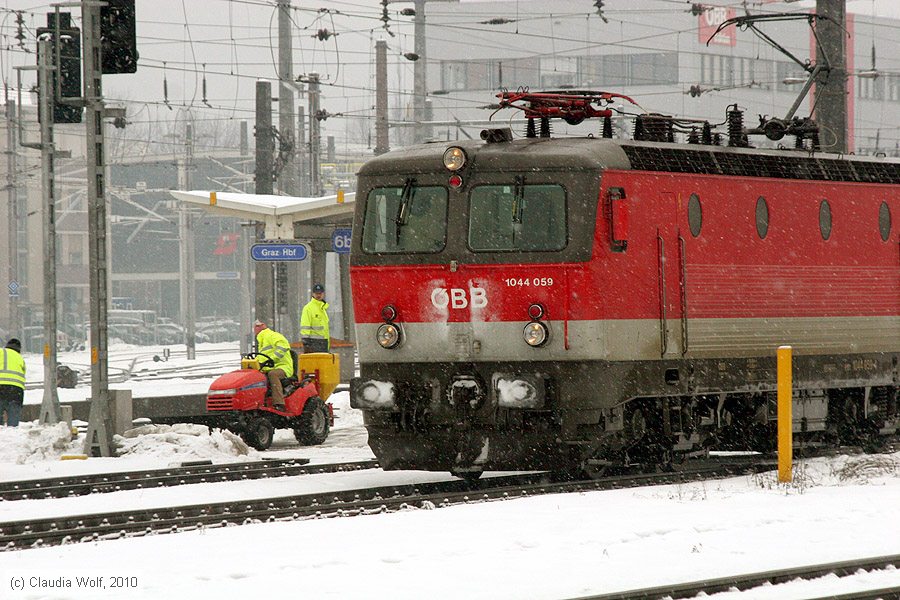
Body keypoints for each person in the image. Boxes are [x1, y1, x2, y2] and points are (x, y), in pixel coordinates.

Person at [253, 321, 293, 410]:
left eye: (258, 326)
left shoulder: (273, 335)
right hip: (268, 368)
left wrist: (272, 359)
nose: (255, 328)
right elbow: (262, 357)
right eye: (255, 326)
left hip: (282, 367)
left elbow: (283, 346)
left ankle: (279, 403)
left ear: (263, 326)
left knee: (273, 374)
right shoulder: (261, 340)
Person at [0, 338, 26, 427]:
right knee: (14, 416)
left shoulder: (1, 352)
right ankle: (13, 430)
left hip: (1, 387)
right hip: (16, 390)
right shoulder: (20, 358)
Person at [300, 283, 330, 353]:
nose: (318, 295)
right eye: (316, 293)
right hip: (313, 344)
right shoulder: (308, 308)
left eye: (320, 293)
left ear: (323, 294)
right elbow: (305, 326)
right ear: (313, 294)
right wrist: (306, 344)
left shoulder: (323, 309)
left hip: (324, 344)